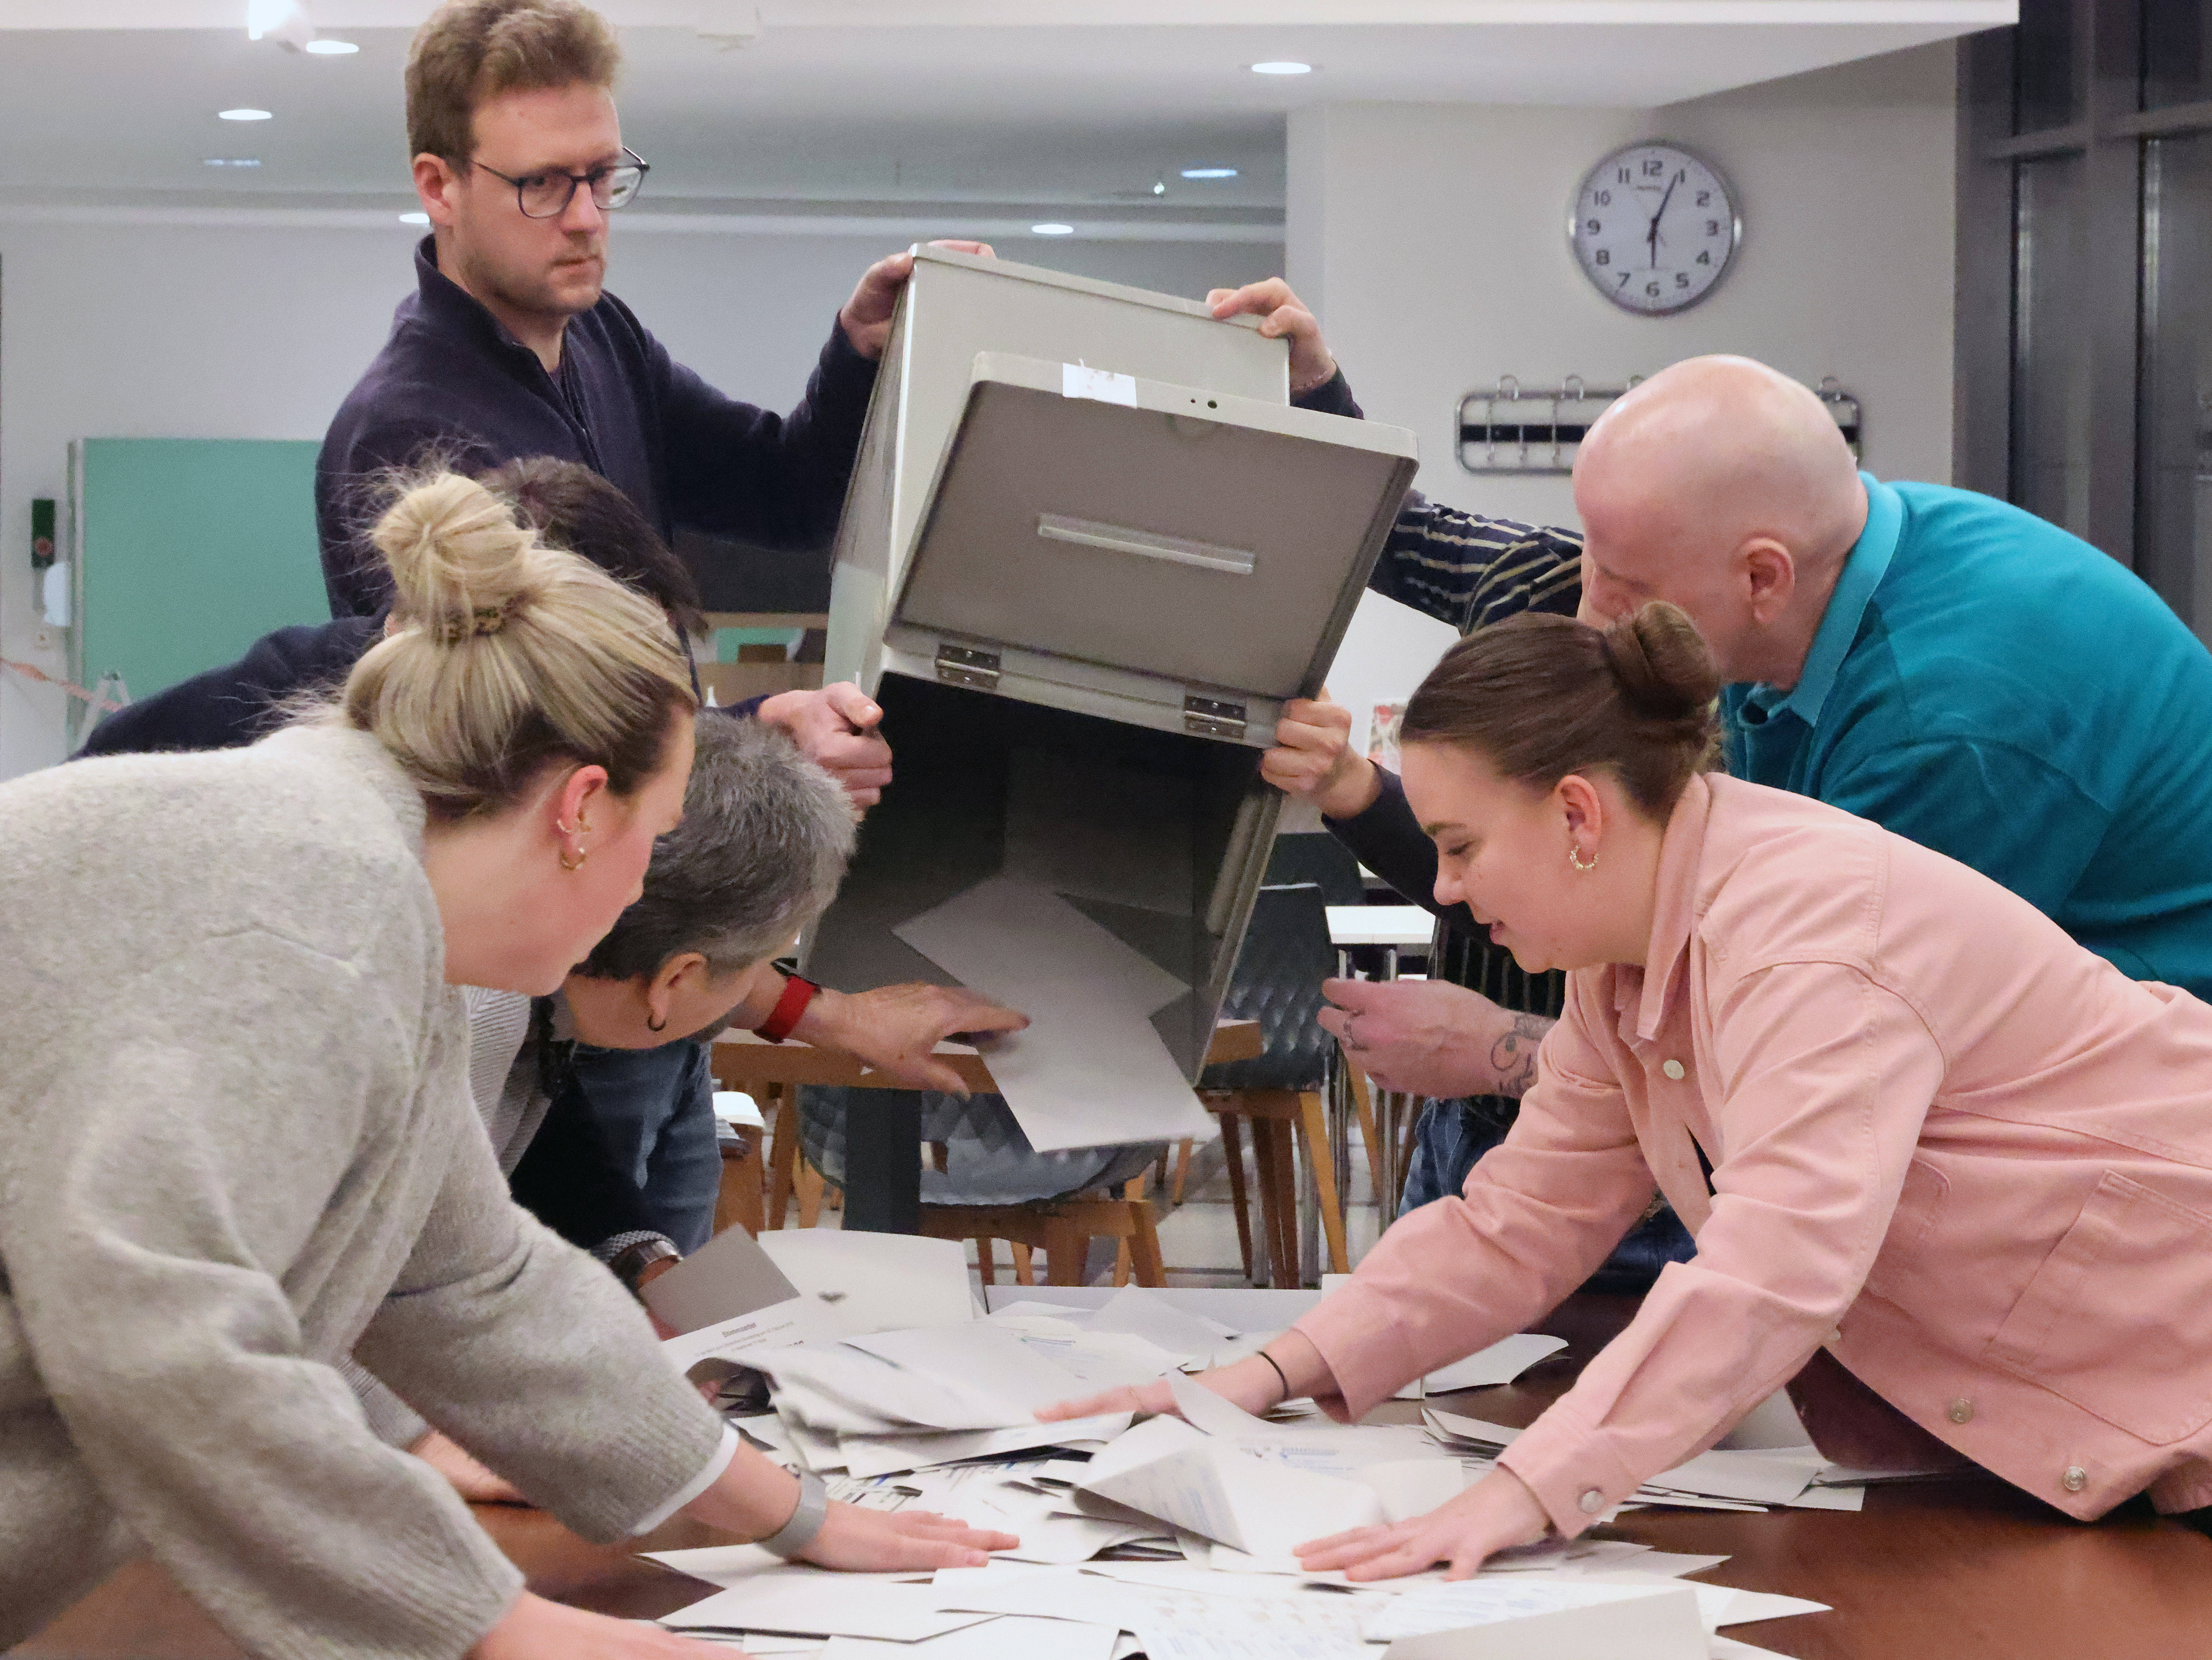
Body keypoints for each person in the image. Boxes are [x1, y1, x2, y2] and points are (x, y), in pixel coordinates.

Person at [0, 472, 1015, 1658]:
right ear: (583, 811)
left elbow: (474, 1285)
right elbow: (161, 1332)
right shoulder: (312, 909)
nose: (644, 895)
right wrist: (498, 1628)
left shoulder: (394, 919)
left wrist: (784, 1512)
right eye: (652, 839)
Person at [1047, 601, 2212, 1577]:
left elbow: (1777, 1262)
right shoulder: (1628, 965)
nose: (1445, 891)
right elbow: (1516, 1227)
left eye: (1460, 846)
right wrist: (1263, 1374)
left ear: (1576, 814)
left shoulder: (1804, 940)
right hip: (2084, 1421)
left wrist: (1534, 1487)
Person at [1262, 338, 2212, 1211]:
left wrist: (1501, 1052)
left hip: (2115, 1151)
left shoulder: (1945, 731)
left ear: (1762, 578)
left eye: (1625, 586)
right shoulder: (1825, 586)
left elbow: (1807, 1073)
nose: (1590, 611)